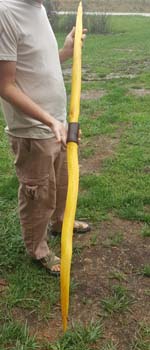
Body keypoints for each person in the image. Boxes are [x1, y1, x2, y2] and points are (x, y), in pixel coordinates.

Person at [0, 0, 90, 275]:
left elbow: (39, 64)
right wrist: (48, 120)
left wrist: (65, 50)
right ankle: (38, 249)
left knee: (61, 183)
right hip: (32, 130)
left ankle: (59, 223)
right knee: (37, 194)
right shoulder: (5, 12)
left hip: (57, 124)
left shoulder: (37, 8)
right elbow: (5, 85)